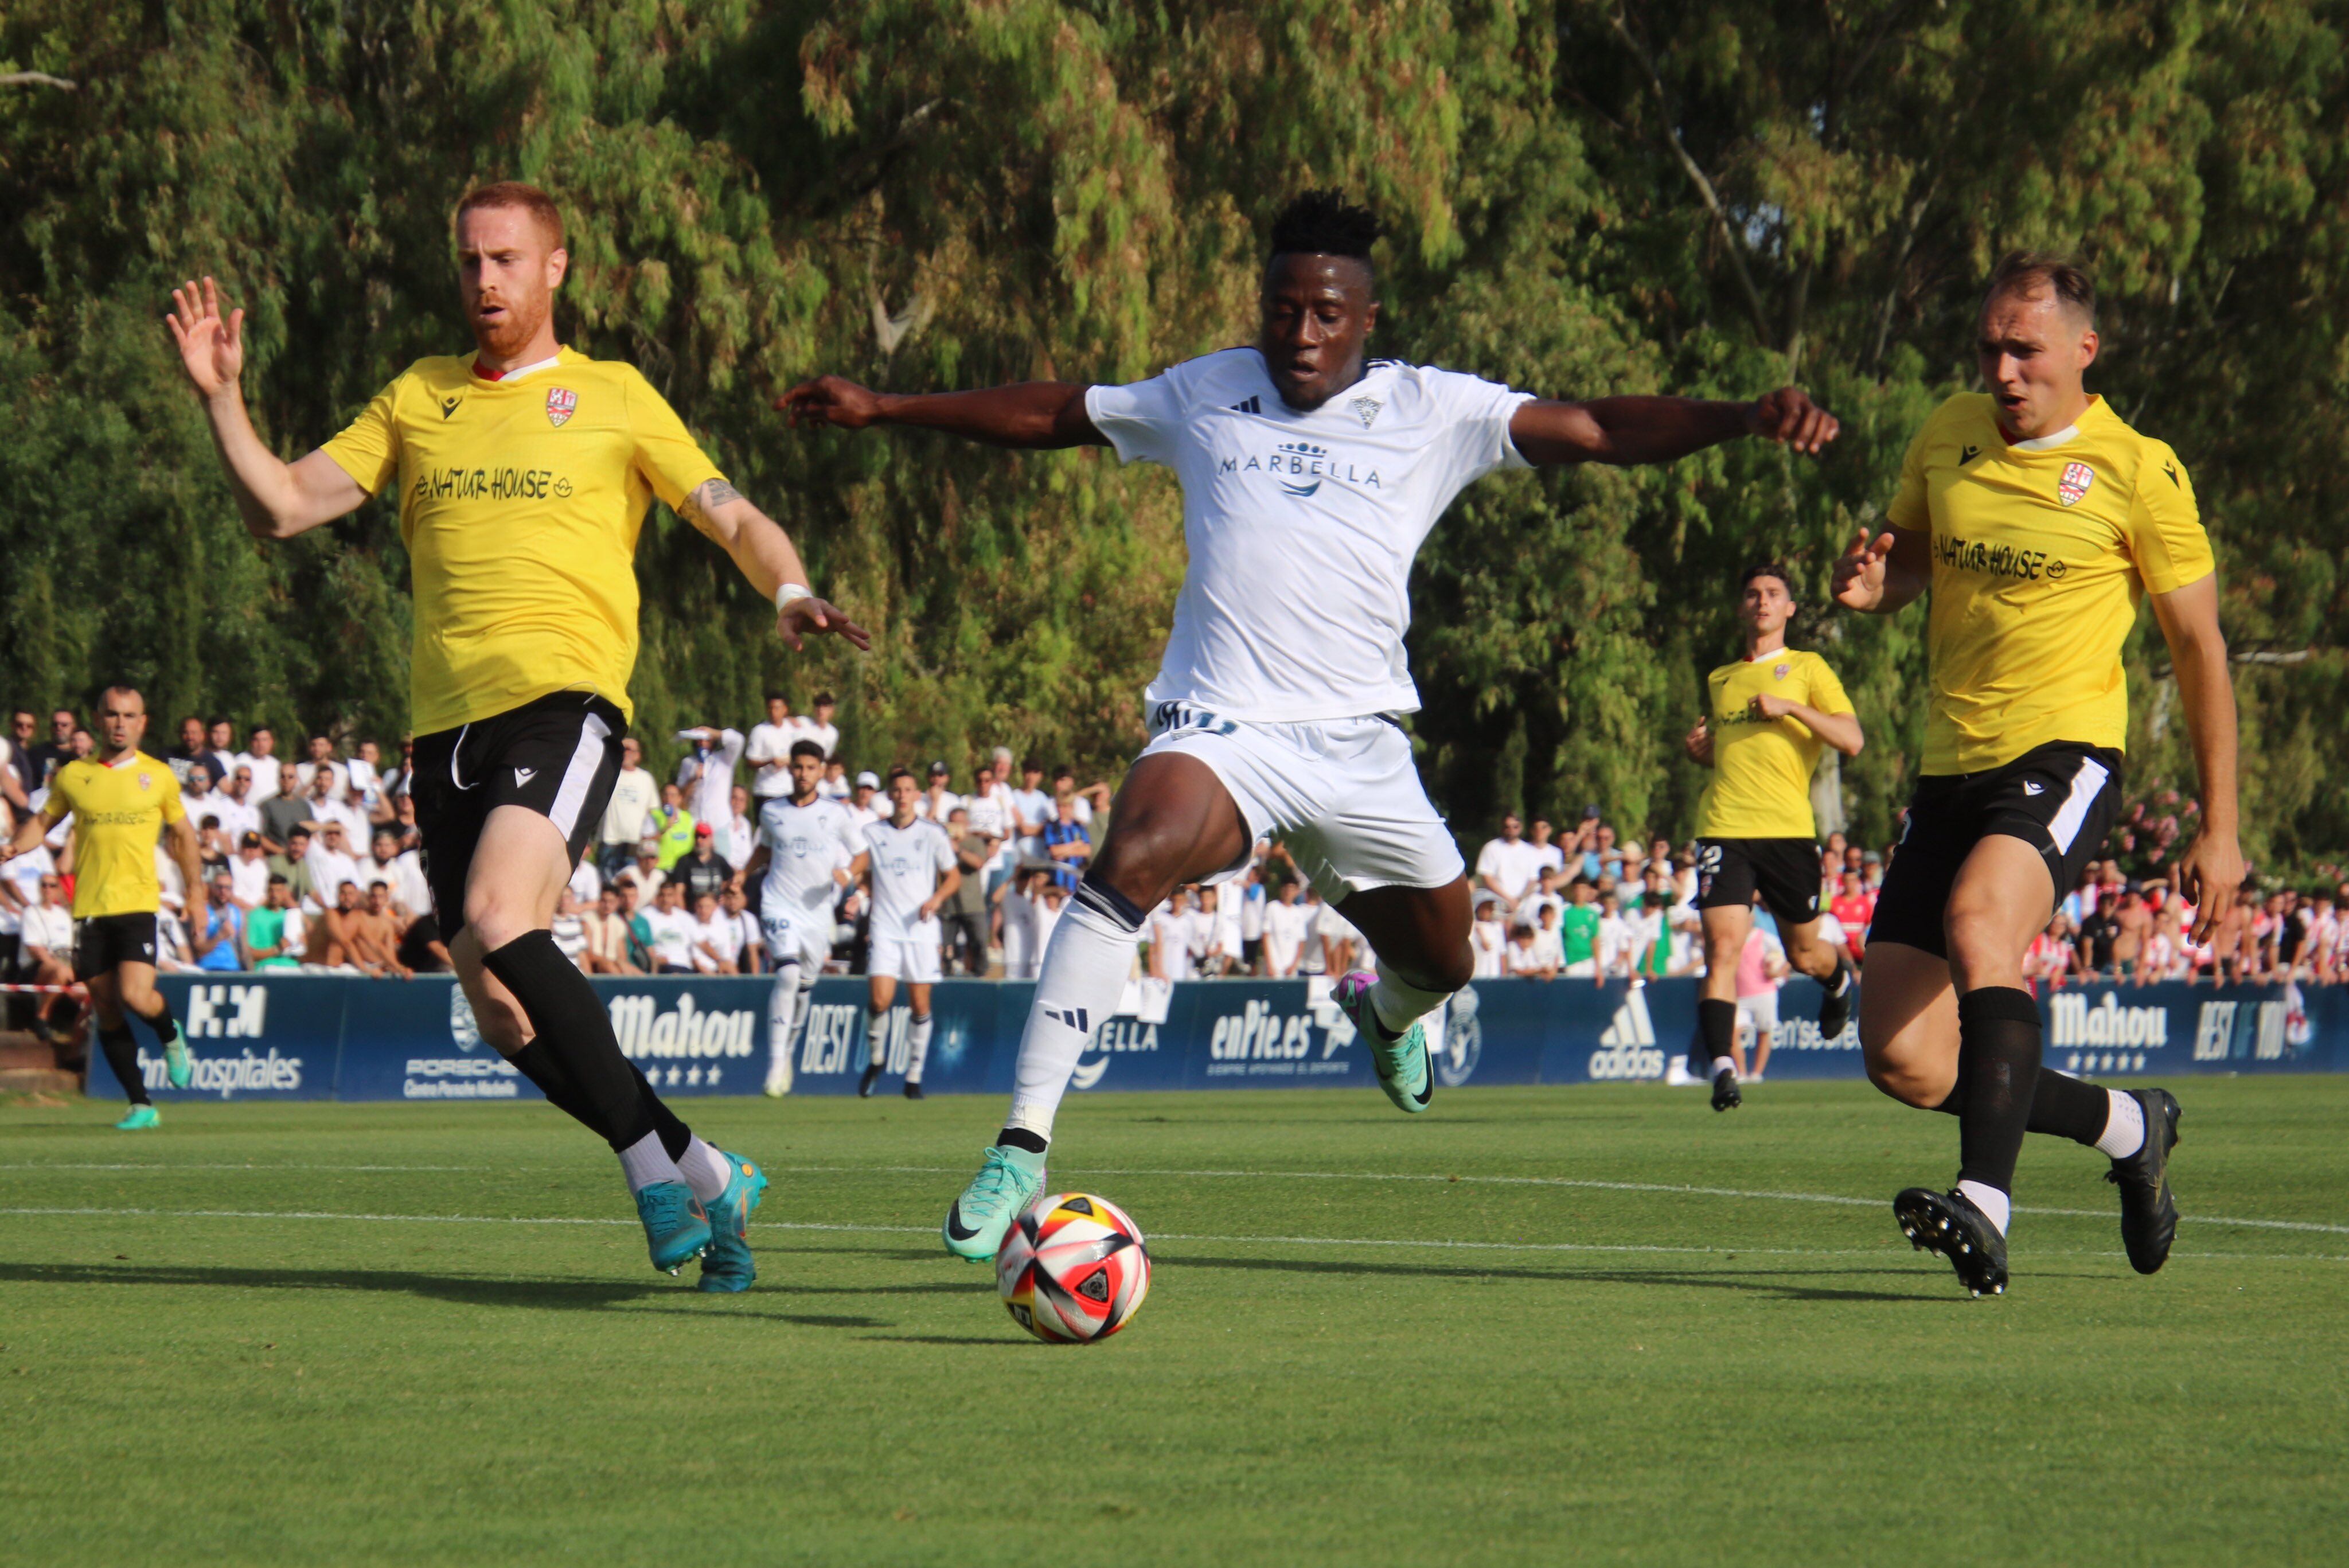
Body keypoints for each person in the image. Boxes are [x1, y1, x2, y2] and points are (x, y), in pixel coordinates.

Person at [786, 186, 1837, 1258]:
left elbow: (1602, 427)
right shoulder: (1206, 391)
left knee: (1447, 960)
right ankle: (1023, 1138)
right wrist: (889, 405)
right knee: (1134, 850)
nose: (1300, 332)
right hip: (1223, 725)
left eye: (1326, 313)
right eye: (1282, 308)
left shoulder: (1434, 410)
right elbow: (1062, 414)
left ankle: (1385, 1014)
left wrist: (1742, 416)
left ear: (1366, 318)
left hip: (1362, 744)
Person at [167, 181, 866, 1289]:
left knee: (498, 918)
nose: (483, 280)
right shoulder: (418, 397)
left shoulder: (615, 395)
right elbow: (283, 506)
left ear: (556, 269)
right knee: (498, 1010)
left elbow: (730, 510)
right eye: (468, 262)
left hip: (565, 702)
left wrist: (788, 590)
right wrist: (223, 401)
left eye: (504, 259)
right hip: (441, 737)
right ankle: (708, 1169)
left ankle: (646, 1166)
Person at [1831, 252, 2238, 1295]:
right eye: (1989, 348)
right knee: (1907, 1057)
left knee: (1982, 921)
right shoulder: (1947, 432)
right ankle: (2127, 1123)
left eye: (2027, 349)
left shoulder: (2139, 468)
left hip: (2063, 752)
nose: (2004, 369)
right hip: (1946, 767)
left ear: (2083, 353)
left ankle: (1986, 1202)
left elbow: (2198, 646)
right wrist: (1879, 585)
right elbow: (1914, 559)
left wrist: (2219, 825)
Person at [1680, 561, 1866, 1111]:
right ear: (1743, 607)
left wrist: (1792, 707)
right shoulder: (1720, 679)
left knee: (1805, 954)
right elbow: (1737, 752)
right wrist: (1704, 754)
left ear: (1789, 609)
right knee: (1721, 950)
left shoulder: (1807, 667)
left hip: (1786, 833)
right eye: (1753, 594)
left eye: (1774, 594)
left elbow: (1851, 740)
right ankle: (1722, 1070)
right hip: (1723, 827)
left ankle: (1837, 984)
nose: (1762, 602)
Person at [2, 685, 201, 1126]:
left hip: (137, 904)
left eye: (129, 716)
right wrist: (13, 848)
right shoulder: (75, 775)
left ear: (142, 722)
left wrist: (196, 895)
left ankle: (170, 1034)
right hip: (89, 908)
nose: (120, 723)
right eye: (112, 715)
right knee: (106, 1007)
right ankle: (141, 1104)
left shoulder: (159, 776)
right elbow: (42, 820)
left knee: (135, 995)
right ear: (97, 719)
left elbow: (184, 836)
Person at [741, 740, 865, 1097]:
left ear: (821, 771)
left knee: (805, 987)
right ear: (790, 769)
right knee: (788, 973)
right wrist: (741, 873)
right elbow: (764, 848)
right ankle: (776, 1061)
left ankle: (789, 1053)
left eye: (811, 768)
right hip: (778, 904)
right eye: (798, 767)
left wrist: (848, 874)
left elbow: (861, 854)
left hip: (816, 914)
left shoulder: (836, 813)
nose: (803, 774)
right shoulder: (772, 810)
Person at [856, 767, 959, 1099]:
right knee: (879, 999)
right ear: (889, 795)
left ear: (917, 795)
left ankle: (914, 1076)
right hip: (885, 928)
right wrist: (854, 890)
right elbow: (858, 868)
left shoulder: (932, 833)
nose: (902, 795)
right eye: (896, 790)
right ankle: (876, 1061)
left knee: (919, 1003)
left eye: (908, 790)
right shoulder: (872, 832)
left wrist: (937, 899)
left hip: (921, 930)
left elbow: (953, 876)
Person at [1728, 916, 1792, 1088]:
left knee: (1764, 1032)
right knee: (1732, 1034)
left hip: (1764, 993)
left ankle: (1757, 1073)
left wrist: (1779, 971)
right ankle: (1741, 1072)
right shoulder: (1734, 939)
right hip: (1740, 995)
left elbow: (1786, 955)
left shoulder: (1764, 937)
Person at [596, 736, 658, 879]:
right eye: (622, 749)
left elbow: (653, 810)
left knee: (630, 883)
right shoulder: (608, 774)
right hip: (610, 838)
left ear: (638, 755)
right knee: (607, 884)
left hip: (634, 842)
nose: (625, 753)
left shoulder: (646, 778)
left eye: (629, 749)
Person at [1475, 814, 1542, 917]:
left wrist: (1518, 900)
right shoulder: (1491, 848)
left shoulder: (1530, 851)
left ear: (1521, 828)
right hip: (1496, 906)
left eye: (1515, 827)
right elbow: (1487, 878)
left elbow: (1533, 880)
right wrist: (1508, 900)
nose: (1511, 830)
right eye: (1507, 827)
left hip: (1523, 907)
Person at [189, 869, 248, 972]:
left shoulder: (238, 913)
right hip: (209, 968)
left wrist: (251, 974)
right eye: (220, 887)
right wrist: (220, 936)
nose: (223, 892)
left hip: (233, 969)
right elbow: (199, 952)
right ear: (212, 888)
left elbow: (245, 950)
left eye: (228, 888)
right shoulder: (203, 912)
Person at [1262, 877, 1311, 977]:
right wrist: (1270, 965)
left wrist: (1294, 966)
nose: (1288, 892)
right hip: (1274, 968)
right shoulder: (1272, 908)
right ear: (1281, 889)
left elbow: (1302, 941)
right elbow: (1265, 937)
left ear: (1297, 892)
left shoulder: (1299, 913)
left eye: (1292, 889)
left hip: (1290, 969)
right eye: (1286, 888)